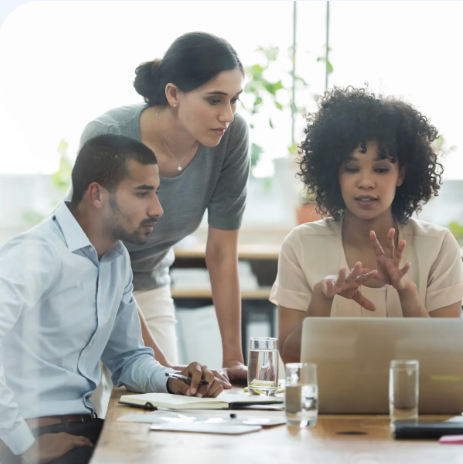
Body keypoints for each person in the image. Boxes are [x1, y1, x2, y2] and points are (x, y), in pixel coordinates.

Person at [0, 134, 222, 464]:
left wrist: (173, 381)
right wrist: (21, 445)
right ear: (97, 194)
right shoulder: (35, 254)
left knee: (191, 449)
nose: (157, 208)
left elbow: (129, 358)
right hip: (31, 435)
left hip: (85, 429)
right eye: (143, 193)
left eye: (156, 192)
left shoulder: (116, 260)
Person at [76, 32, 249, 384]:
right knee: (100, 414)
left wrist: (233, 358)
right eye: (215, 100)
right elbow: (99, 256)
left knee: (158, 414)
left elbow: (221, 251)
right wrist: (159, 367)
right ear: (173, 94)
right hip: (88, 283)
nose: (227, 114)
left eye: (234, 100)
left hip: (149, 283)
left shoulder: (230, 138)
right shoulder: (108, 136)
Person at [271, 86, 463, 364]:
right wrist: (321, 299)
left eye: (381, 168)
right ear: (334, 174)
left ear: (402, 175)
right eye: (351, 168)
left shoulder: (439, 246)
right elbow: (290, 360)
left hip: (414, 406)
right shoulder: (301, 244)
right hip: (328, 404)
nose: (365, 181)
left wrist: (407, 292)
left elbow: (447, 361)